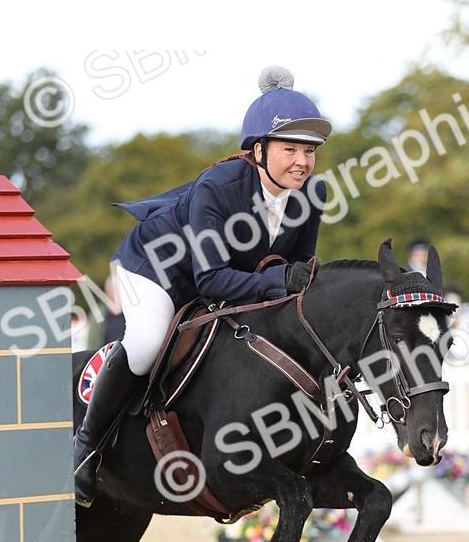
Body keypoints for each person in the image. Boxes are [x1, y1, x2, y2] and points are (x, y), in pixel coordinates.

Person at [72, 66, 331, 507]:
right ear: (258, 150)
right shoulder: (219, 186)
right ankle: (86, 446)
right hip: (154, 269)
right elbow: (211, 279)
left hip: (224, 277)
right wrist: (281, 279)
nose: (303, 162)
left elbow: (295, 274)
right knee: (146, 340)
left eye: (310, 151)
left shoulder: (311, 195)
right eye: (291, 149)